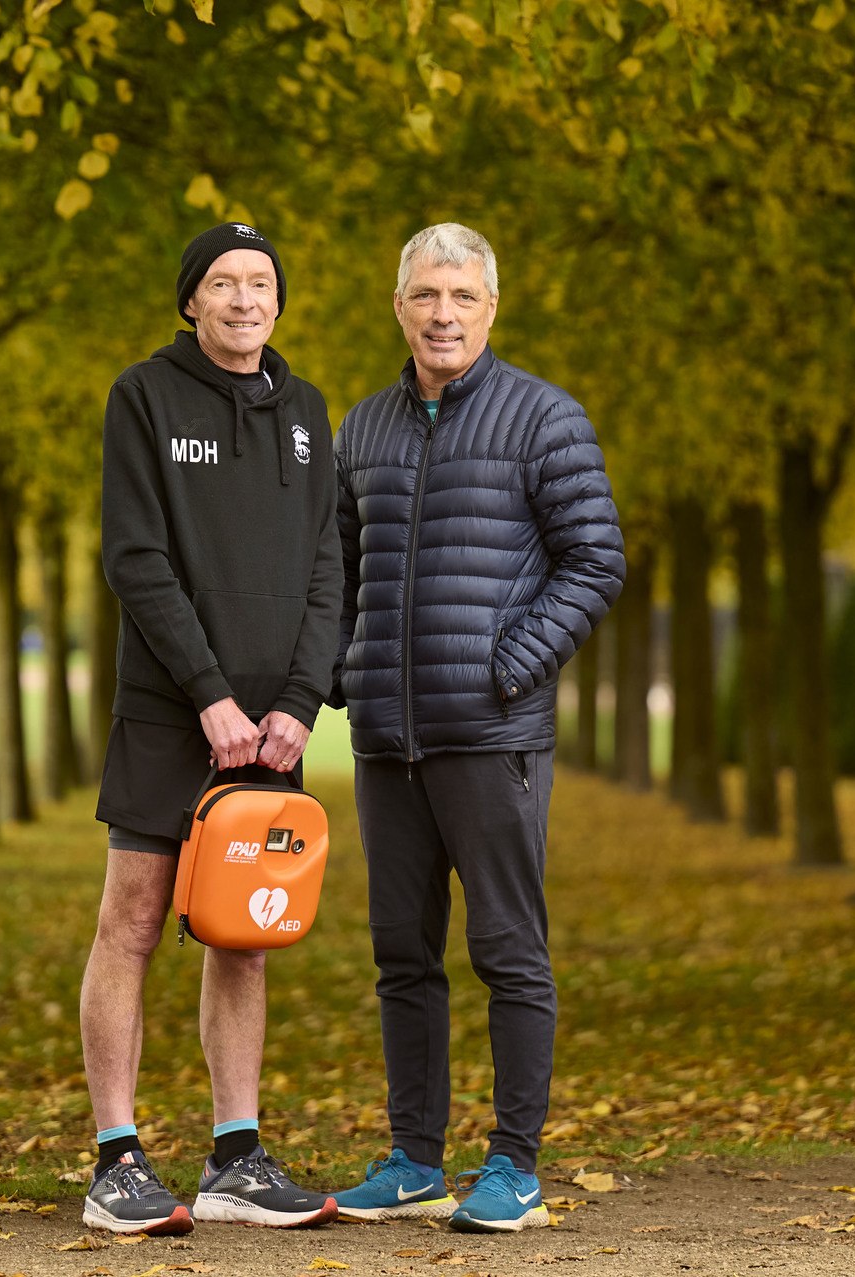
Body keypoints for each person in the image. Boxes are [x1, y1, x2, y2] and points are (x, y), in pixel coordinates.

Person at [329, 223, 625, 1232]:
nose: (442, 313)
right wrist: (340, 671)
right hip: (386, 742)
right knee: (401, 954)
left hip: (492, 736)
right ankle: (415, 1157)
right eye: (424, 295)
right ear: (399, 306)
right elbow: (339, 570)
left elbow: (595, 560)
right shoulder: (361, 428)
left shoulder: (544, 418)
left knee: (509, 949)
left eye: (461, 295)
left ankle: (513, 1163)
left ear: (491, 308)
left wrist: (510, 663)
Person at [80, 223, 341, 1235]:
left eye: (261, 282)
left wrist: (298, 704)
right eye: (223, 282)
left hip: (275, 728)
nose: (244, 298)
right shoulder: (142, 398)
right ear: (191, 300)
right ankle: (117, 1162)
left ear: (280, 300)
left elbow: (329, 565)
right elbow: (136, 556)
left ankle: (237, 1155)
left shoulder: (311, 412)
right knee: (133, 924)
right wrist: (209, 693)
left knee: (245, 934)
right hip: (173, 709)